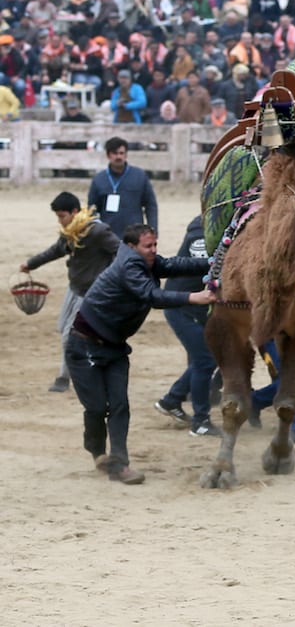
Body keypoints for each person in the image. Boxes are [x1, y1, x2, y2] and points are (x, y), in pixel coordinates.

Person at [67, 224, 213, 484]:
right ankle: (97, 451)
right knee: (97, 407)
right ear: (132, 246)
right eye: (149, 246)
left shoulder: (146, 261)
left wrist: (212, 261)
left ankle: (120, 465)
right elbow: (151, 295)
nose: (154, 251)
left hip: (114, 346)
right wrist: (193, 297)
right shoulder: (129, 266)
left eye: (155, 245)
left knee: (120, 404)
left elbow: (175, 265)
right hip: (84, 345)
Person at [19, 191, 120, 392]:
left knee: (69, 334)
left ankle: (64, 378)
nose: (60, 221)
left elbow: (121, 251)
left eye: (62, 216)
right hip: (74, 288)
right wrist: (32, 263)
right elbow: (56, 250)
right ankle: (89, 363)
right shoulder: (72, 232)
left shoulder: (97, 231)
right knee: (62, 327)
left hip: (91, 293)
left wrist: (108, 278)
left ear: (75, 212)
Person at [152, 216, 221, 437]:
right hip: (181, 306)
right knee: (205, 360)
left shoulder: (213, 226)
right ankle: (200, 422)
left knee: (206, 358)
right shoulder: (202, 232)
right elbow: (206, 264)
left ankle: (171, 400)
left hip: (197, 306)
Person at [86, 137, 158, 238]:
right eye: (115, 153)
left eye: (121, 153)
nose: (118, 156)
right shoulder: (98, 180)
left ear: (126, 155)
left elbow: (150, 206)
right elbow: (91, 209)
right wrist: (95, 231)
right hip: (107, 235)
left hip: (134, 235)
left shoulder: (140, 176)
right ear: (108, 155)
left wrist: (152, 229)